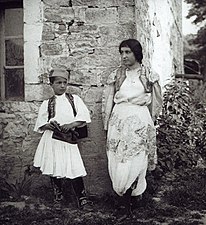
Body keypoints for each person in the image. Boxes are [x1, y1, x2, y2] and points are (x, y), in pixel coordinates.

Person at [102, 39, 162, 216]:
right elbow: (108, 101)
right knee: (117, 159)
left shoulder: (148, 74)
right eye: (121, 52)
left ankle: (131, 201)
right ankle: (122, 200)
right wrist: (107, 124)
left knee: (135, 160)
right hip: (119, 121)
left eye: (128, 52)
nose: (124, 56)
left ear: (137, 53)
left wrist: (150, 122)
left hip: (139, 122)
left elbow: (156, 102)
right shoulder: (117, 75)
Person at [33, 68, 91, 209]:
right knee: (55, 166)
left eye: (65, 82)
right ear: (51, 85)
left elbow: (84, 117)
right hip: (52, 139)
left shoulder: (74, 100)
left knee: (74, 167)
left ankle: (82, 198)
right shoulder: (47, 103)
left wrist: (71, 124)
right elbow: (40, 124)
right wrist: (50, 125)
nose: (62, 86)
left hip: (69, 139)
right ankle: (58, 196)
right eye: (58, 83)